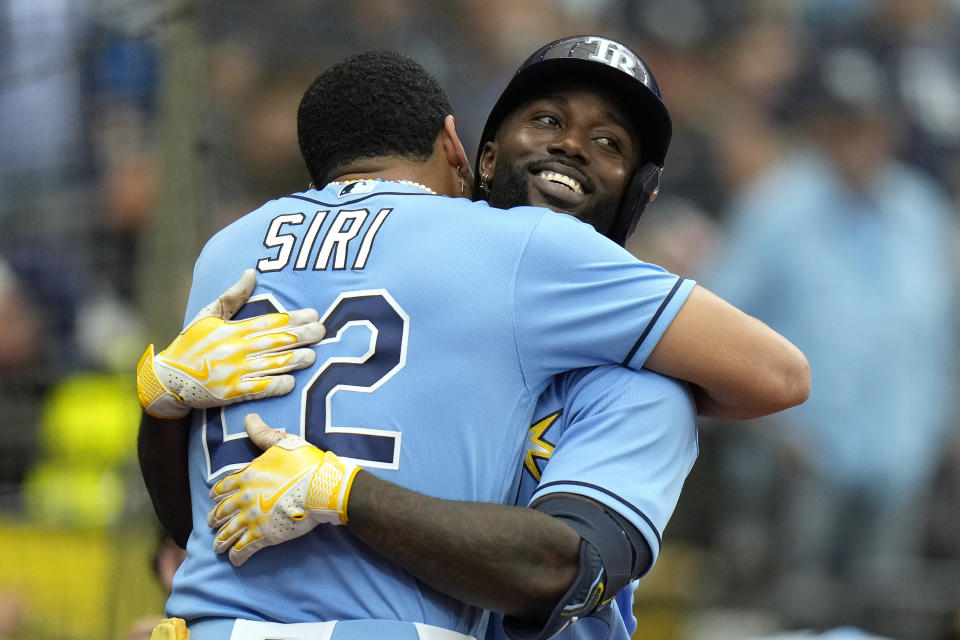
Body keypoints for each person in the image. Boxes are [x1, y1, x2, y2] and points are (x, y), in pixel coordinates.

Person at [138, 48, 807, 640]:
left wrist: (344, 492)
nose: (572, 146)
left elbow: (555, 568)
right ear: (473, 155)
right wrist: (163, 406)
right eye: (546, 121)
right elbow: (202, 525)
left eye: (609, 142)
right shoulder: (451, 270)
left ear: (638, 199)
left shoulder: (643, 391)